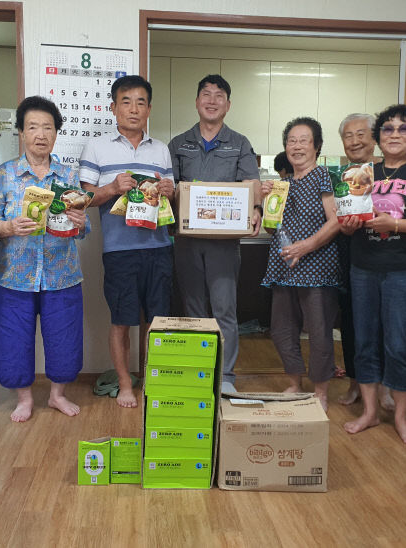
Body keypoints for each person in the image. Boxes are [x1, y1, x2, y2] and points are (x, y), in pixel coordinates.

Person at [340, 104, 406, 445]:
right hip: (363, 268)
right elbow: (346, 225)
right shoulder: (362, 172)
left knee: (400, 343)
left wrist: (397, 223)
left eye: (403, 129)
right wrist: (351, 223)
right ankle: (370, 412)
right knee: (365, 341)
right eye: (387, 129)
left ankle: (400, 417)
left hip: (404, 269)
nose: (395, 135)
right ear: (379, 136)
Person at [0, 96, 89, 422]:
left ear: (56, 133)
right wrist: (7, 226)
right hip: (13, 275)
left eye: (48, 127)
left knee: (64, 336)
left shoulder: (67, 174)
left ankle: (57, 395)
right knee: (13, 337)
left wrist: (80, 223)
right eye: (32, 126)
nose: (40, 134)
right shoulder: (4, 175)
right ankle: (23, 399)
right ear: (20, 132)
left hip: (61, 273)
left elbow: (81, 222)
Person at [80, 75, 175, 408]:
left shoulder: (161, 149)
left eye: (140, 102)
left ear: (149, 108)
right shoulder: (97, 147)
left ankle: (151, 380)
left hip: (159, 246)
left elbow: (170, 195)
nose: (133, 109)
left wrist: (168, 191)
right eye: (126, 101)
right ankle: (125, 384)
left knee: (157, 321)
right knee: (121, 319)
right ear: (113, 107)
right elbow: (84, 197)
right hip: (119, 249)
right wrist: (111, 189)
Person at [168, 74, 262, 392]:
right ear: (197, 102)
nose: (211, 100)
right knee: (193, 309)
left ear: (228, 105)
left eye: (218, 95)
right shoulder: (178, 144)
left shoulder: (240, 143)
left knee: (225, 309)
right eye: (205, 94)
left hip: (224, 244)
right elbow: (171, 190)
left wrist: (257, 209)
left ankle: (226, 378)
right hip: (187, 242)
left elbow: (251, 183)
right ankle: (199, 373)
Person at [260, 117, 340, 411]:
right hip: (283, 267)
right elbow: (271, 230)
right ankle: (294, 383)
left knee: (319, 331)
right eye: (291, 141)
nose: (297, 146)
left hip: (317, 267)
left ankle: (320, 390)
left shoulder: (324, 177)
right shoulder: (280, 185)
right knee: (282, 329)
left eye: (304, 140)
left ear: (317, 146)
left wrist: (306, 246)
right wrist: (267, 201)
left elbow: (336, 221)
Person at [334, 113, 394, 411]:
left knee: (384, 322)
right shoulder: (344, 175)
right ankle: (356, 380)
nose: (355, 141)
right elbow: (337, 216)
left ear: (374, 138)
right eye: (348, 135)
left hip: (386, 254)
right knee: (351, 321)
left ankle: (383, 385)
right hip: (350, 252)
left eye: (361, 134)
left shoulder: (389, 171)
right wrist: (343, 224)